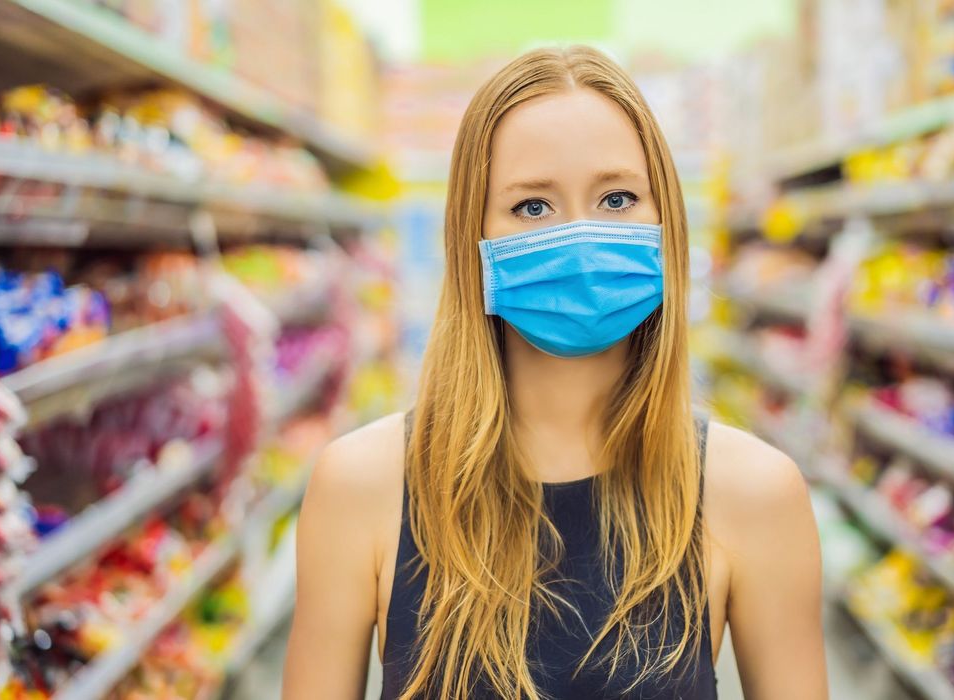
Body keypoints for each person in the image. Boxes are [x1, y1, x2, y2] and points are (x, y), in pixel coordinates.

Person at [282, 45, 827, 700]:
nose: (580, 238)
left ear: (667, 223)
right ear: (471, 238)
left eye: (618, 198)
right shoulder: (359, 488)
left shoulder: (756, 494)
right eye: (532, 207)